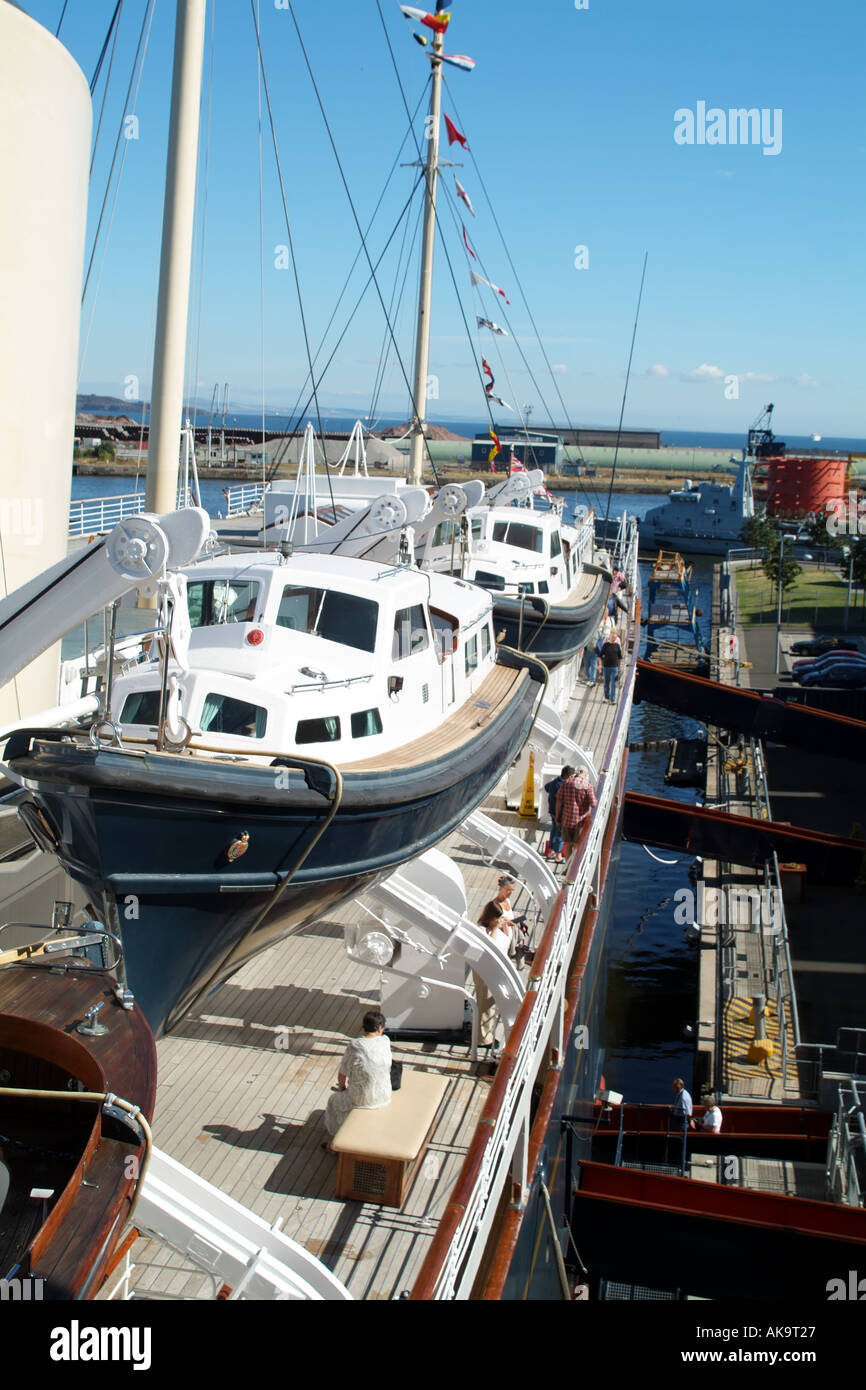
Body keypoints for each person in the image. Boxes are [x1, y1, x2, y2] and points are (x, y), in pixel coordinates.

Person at [323, 1009, 392, 1147]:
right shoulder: (385, 1041)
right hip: (384, 1094)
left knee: (334, 1101)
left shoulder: (355, 1046)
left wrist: (342, 1088)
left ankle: (339, 1142)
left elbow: (342, 1073)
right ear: (379, 1028)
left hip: (362, 1099)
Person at [473, 875, 516, 1051]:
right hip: (486, 970)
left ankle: (487, 1034)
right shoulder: (483, 930)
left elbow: (504, 941)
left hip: (497, 967)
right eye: (507, 890)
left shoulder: (498, 921)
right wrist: (497, 928)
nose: (509, 894)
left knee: (492, 1003)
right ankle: (484, 1040)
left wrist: (506, 926)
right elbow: (490, 946)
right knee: (485, 1005)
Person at [555, 767, 597, 864]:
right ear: (583, 773)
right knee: (578, 845)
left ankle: (568, 866)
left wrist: (557, 817)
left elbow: (559, 800)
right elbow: (593, 804)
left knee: (568, 844)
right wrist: (596, 799)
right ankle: (575, 868)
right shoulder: (587, 785)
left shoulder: (567, 782)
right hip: (580, 822)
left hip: (566, 820)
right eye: (587, 774)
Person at [543, 767, 568, 863]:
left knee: (553, 832)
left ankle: (551, 852)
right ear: (567, 776)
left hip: (552, 811)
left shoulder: (554, 782)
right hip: (560, 814)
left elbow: (546, 787)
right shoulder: (563, 786)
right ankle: (558, 855)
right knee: (560, 834)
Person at [600, 630, 622, 704]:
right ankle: (606, 697)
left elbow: (620, 657)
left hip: (614, 667)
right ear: (610, 636)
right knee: (606, 683)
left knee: (614, 683)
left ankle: (612, 699)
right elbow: (600, 656)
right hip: (606, 667)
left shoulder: (617, 646)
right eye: (612, 635)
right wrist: (600, 664)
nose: (613, 637)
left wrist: (619, 667)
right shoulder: (605, 645)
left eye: (615, 635)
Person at [582, 618, 605, 685]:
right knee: (586, 666)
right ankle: (589, 679)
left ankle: (592, 680)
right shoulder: (587, 631)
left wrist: (597, 645)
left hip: (594, 652)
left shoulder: (598, 632)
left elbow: (601, 641)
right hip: (587, 651)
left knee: (593, 666)